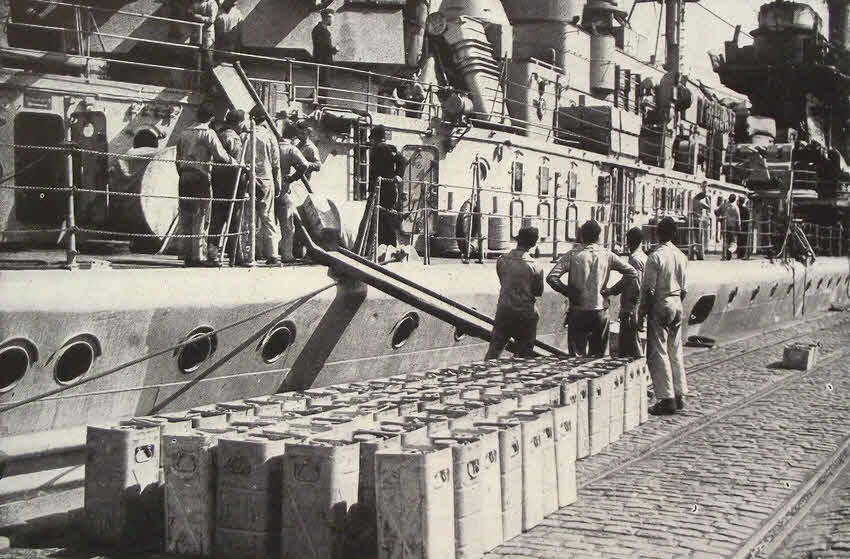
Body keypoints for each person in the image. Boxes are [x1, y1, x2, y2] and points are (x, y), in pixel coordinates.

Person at [547, 220, 637, 357]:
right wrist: (612, 290)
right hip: (600, 309)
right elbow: (632, 273)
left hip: (578, 310)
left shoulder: (572, 255)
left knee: (576, 357)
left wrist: (568, 291)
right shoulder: (608, 255)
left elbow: (552, 277)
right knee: (599, 356)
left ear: (582, 236)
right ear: (599, 237)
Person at [175, 105, 238, 266]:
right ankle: (199, 256)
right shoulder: (208, 133)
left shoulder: (183, 133)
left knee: (186, 215)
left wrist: (182, 173)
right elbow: (220, 155)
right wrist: (236, 163)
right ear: (210, 119)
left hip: (184, 176)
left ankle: (186, 254)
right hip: (200, 177)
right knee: (201, 215)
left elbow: (177, 158)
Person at [638, 216, 688, 415]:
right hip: (677, 303)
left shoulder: (655, 256)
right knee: (675, 350)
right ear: (675, 233)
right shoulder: (681, 256)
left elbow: (648, 289)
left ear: (657, 233)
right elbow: (684, 288)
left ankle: (666, 399)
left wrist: (642, 312)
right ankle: (679, 394)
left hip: (661, 303)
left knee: (658, 351)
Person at [485, 227, 545, 360]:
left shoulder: (502, 260)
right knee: (522, 355)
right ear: (533, 244)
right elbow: (538, 292)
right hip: (525, 314)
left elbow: (502, 280)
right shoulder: (535, 265)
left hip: (504, 311)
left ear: (518, 239)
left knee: (494, 351)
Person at [242, 106, 282, 265]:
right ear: (264, 119)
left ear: (251, 118)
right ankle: (272, 254)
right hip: (266, 179)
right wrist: (277, 183)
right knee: (267, 217)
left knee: (247, 217)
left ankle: (246, 254)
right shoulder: (270, 137)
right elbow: (276, 163)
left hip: (249, 178)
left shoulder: (245, 135)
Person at [601, 227, 647, 358]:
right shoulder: (644, 257)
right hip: (638, 304)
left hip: (631, 305)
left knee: (630, 343)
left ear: (630, 242)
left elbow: (632, 282)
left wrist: (611, 291)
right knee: (633, 340)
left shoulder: (634, 259)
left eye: (628, 241)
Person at [209, 108, 246, 262]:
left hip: (218, 180)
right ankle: (235, 254)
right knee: (234, 218)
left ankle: (211, 253)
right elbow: (238, 162)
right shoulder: (234, 139)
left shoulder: (219, 135)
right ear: (238, 123)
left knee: (216, 218)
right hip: (232, 183)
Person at [369, 125, 407, 247]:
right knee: (381, 220)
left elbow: (402, 159)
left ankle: (389, 247)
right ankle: (383, 247)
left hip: (385, 189)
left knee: (385, 219)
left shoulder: (384, 148)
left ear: (376, 138)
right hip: (382, 188)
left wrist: (398, 175)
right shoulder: (382, 148)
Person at [278, 123, 310, 262]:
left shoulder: (274, 145)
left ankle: (266, 253)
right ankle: (286, 255)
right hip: (284, 188)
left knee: (266, 222)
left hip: (268, 186)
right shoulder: (291, 149)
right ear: (293, 137)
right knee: (287, 225)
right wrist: (292, 178)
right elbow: (305, 165)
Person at [312, 8, 338, 104]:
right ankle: (321, 103)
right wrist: (334, 49)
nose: (332, 20)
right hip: (322, 61)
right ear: (326, 17)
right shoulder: (321, 30)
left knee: (323, 84)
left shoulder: (321, 29)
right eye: (331, 17)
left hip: (322, 61)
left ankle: (318, 100)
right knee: (324, 83)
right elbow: (324, 48)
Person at [188, 0, 218, 71]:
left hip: (207, 34)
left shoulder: (212, 3)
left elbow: (211, 19)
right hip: (196, 33)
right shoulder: (196, 2)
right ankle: (195, 75)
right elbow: (190, 11)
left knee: (208, 56)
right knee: (194, 55)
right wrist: (190, 13)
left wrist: (198, 17)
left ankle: (208, 75)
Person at [716, 193, 740, 260]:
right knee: (732, 241)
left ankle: (724, 255)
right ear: (734, 200)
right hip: (732, 226)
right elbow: (738, 218)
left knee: (725, 240)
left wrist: (719, 217)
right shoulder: (735, 207)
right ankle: (729, 252)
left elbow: (717, 212)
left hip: (724, 225)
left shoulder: (723, 205)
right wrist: (739, 226)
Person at [689, 191, 711, 260]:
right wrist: (707, 199)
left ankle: (692, 254)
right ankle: (699, 255)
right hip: (698, 220)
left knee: (692, 238)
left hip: (691, 220)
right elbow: (708, 207)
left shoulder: (692, 201)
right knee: (699, 238)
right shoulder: (700, 202)